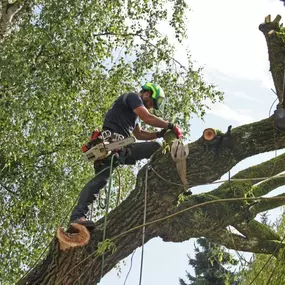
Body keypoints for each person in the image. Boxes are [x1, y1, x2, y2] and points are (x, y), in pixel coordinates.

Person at [69, 82, 183, 229]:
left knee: (154, 147)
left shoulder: (133, 113)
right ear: (147, 94)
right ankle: (77, 217)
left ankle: (163, 175)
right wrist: (170, 125)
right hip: (109, 145)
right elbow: (147, 118)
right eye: (149, 103)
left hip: (121, 147)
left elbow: (140, 134)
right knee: (100, 181)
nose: (148, 107)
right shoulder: (132, 98)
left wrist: (159, 134)